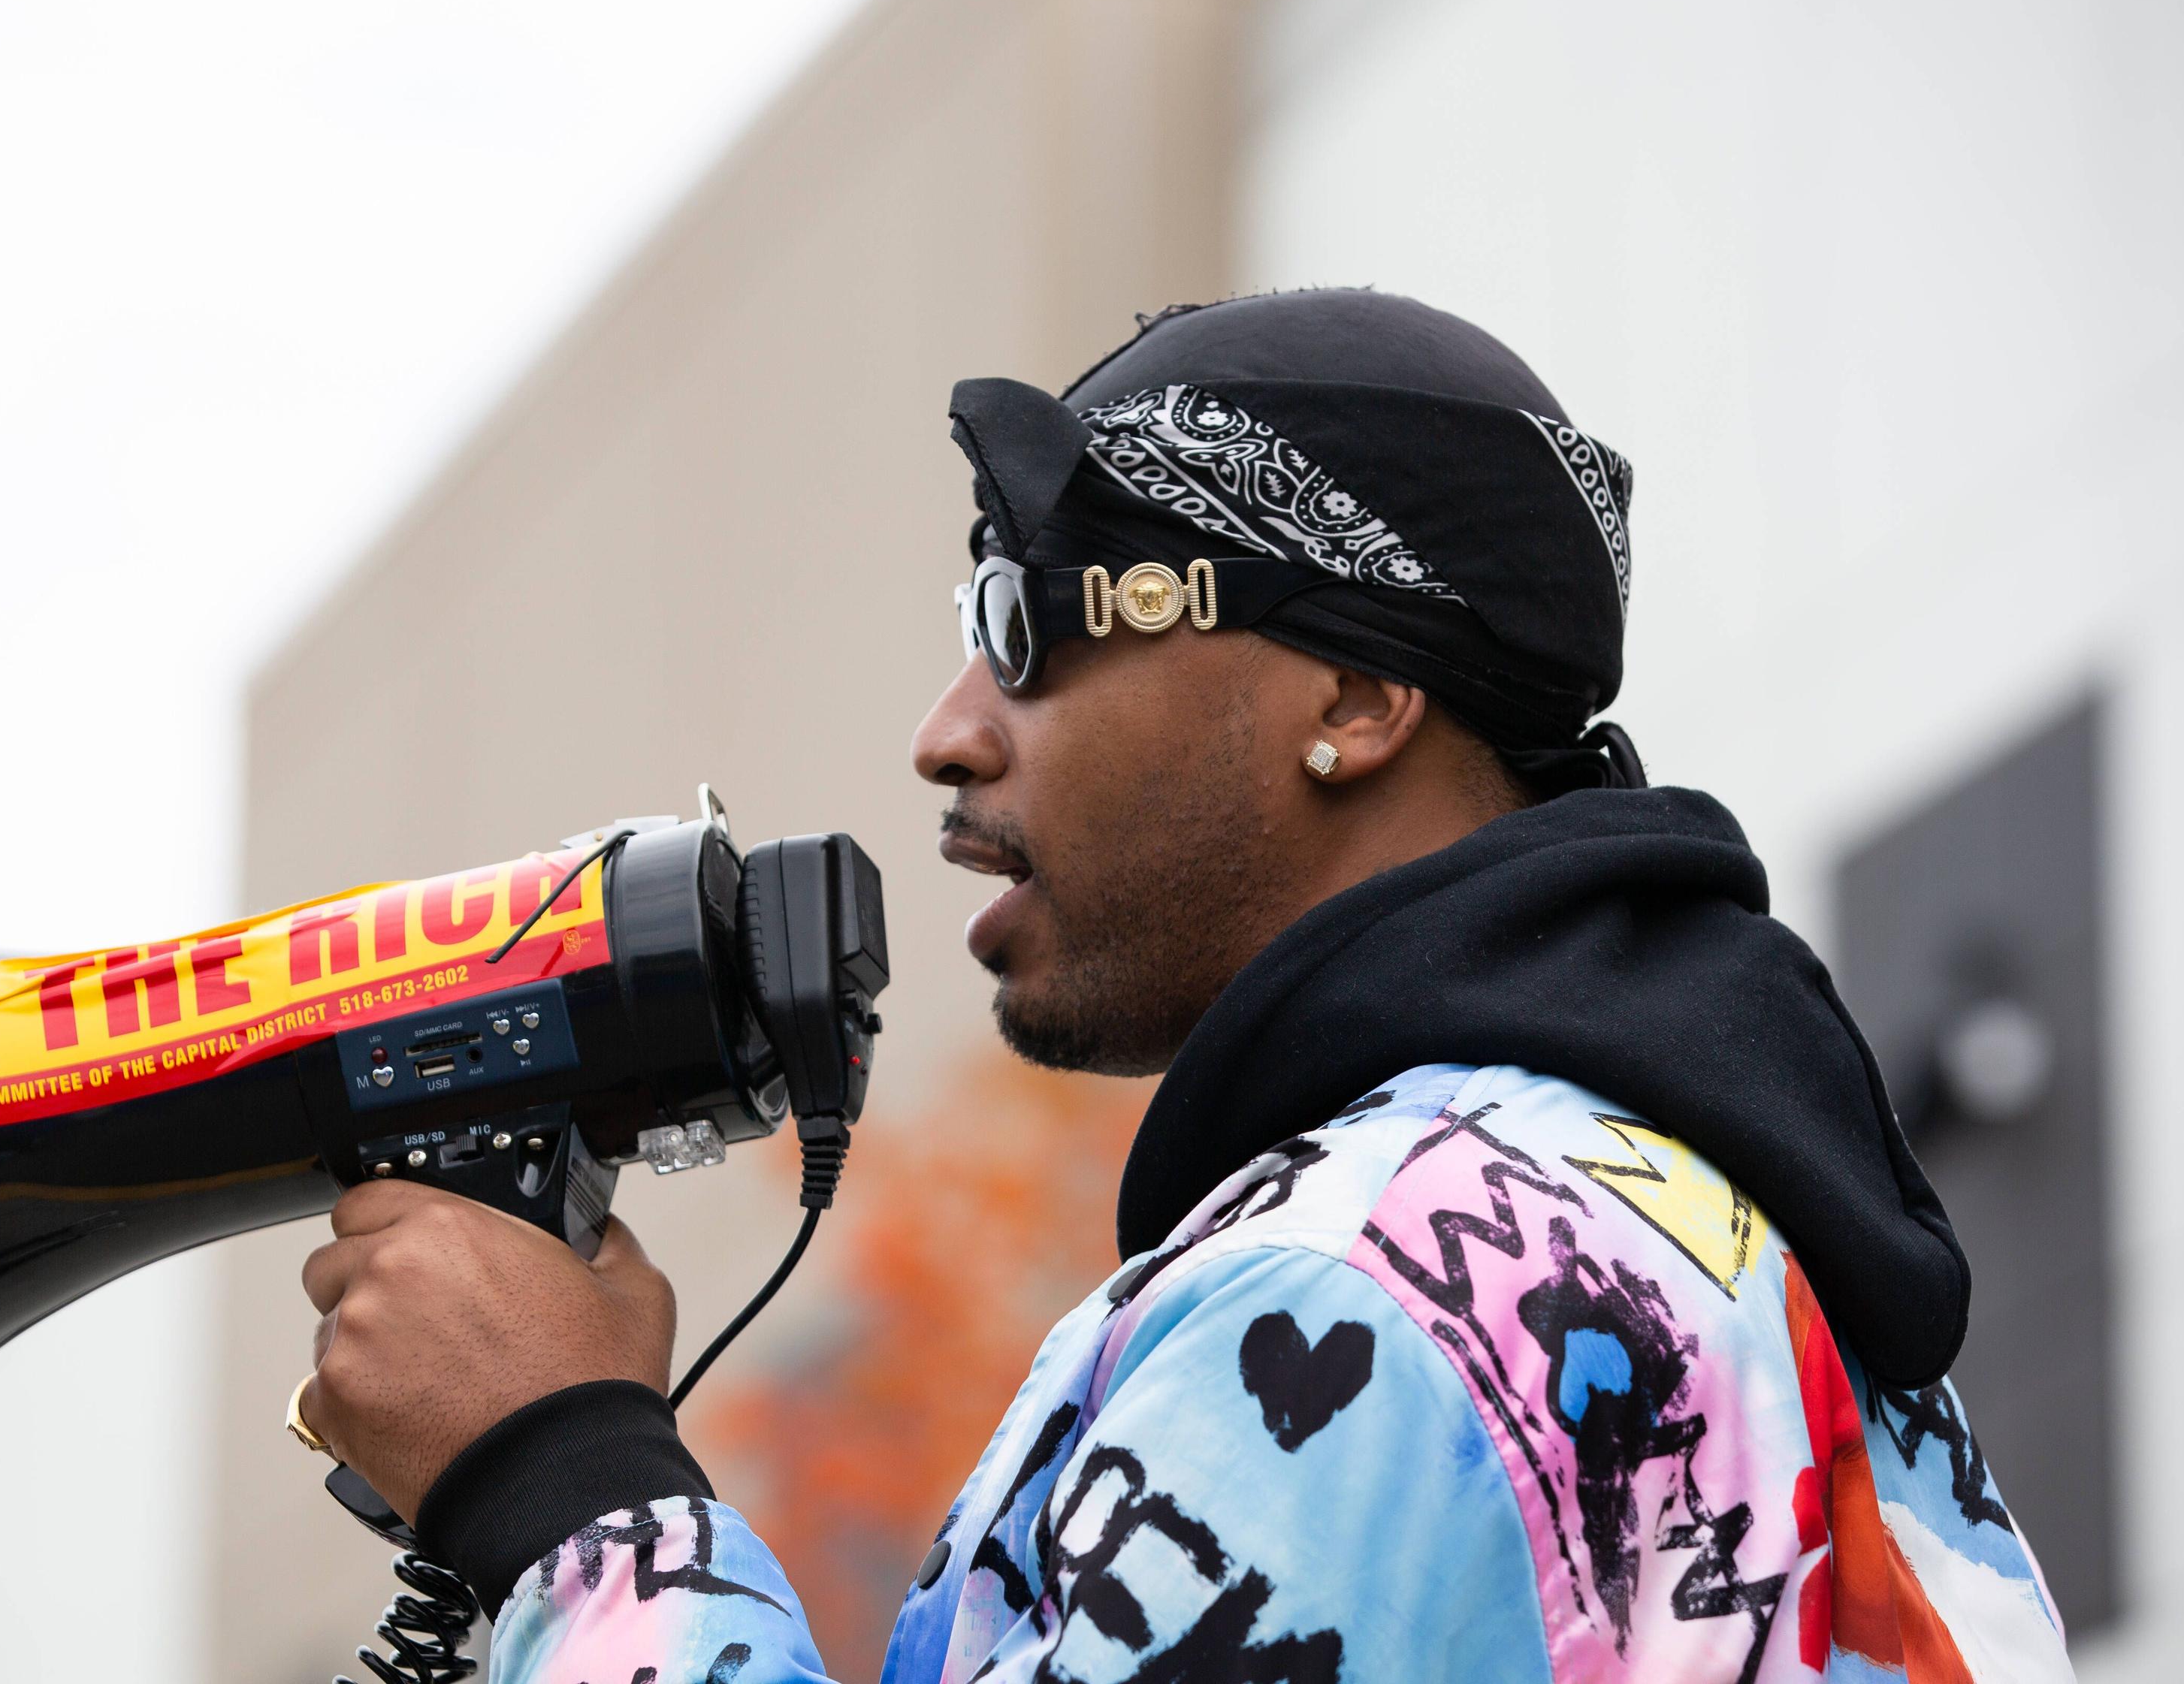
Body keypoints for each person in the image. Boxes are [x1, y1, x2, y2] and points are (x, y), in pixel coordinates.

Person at [297, 290, 2075, 1683]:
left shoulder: (1385, 1286)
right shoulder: (1709, 1228)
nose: (947, 730)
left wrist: (564, 1484)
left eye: (1029, 613)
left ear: (1353, 697)